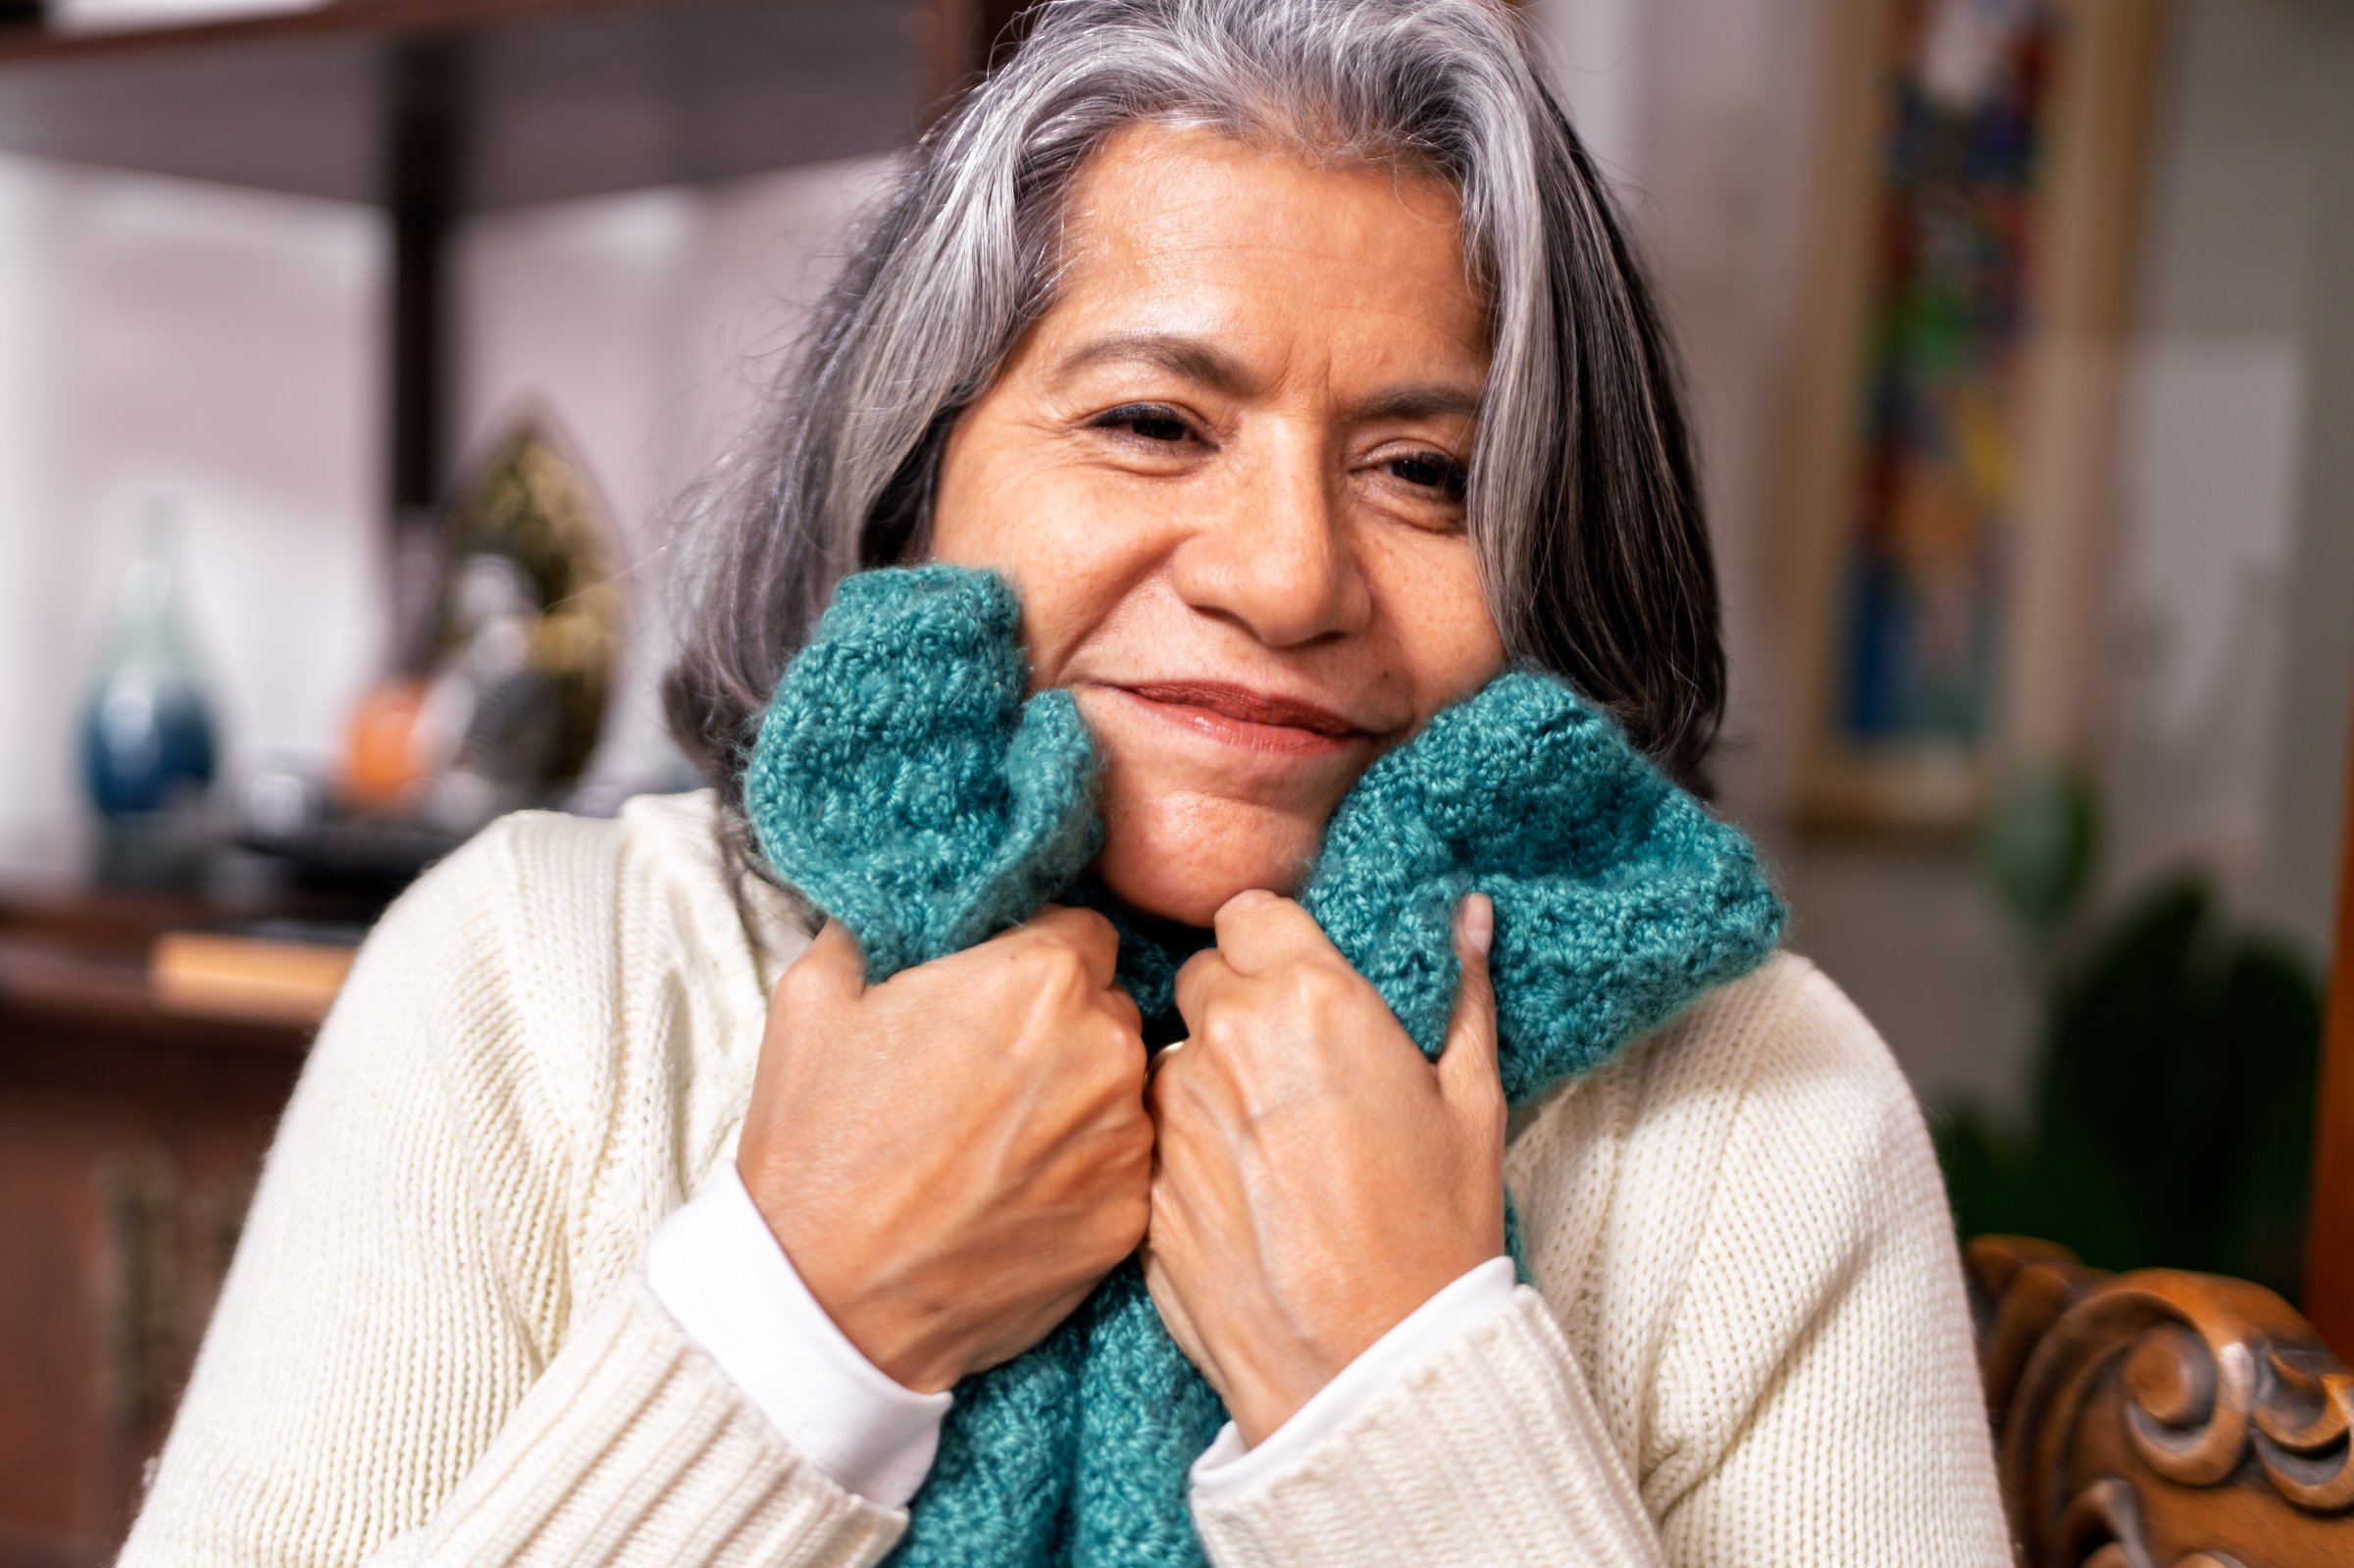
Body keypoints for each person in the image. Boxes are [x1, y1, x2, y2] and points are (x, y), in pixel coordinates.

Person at [119, 2, 2010, 1564]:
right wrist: (806, 1320)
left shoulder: (1761, 1106)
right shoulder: (534, 983)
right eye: (1148, 423)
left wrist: (1406, 1391)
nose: (1284, 575)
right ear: (916, 471)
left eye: (1425, 471)